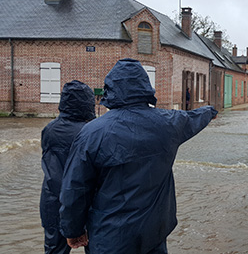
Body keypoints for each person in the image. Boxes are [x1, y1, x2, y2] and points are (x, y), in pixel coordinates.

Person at [59, 58, 218, 254]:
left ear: (110, 89)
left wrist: (72, 230)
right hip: (154, 234)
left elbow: (74, 188)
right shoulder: (169, 123)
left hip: (109, 237)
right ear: (145, 87)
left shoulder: (91, 133)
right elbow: (194, 118)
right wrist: (210, 111)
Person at [40, 80, 95, 254]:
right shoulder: (91, 131)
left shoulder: (49, 129)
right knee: (95, 247)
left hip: (52, 201)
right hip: (85, 203)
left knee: (54, 250)